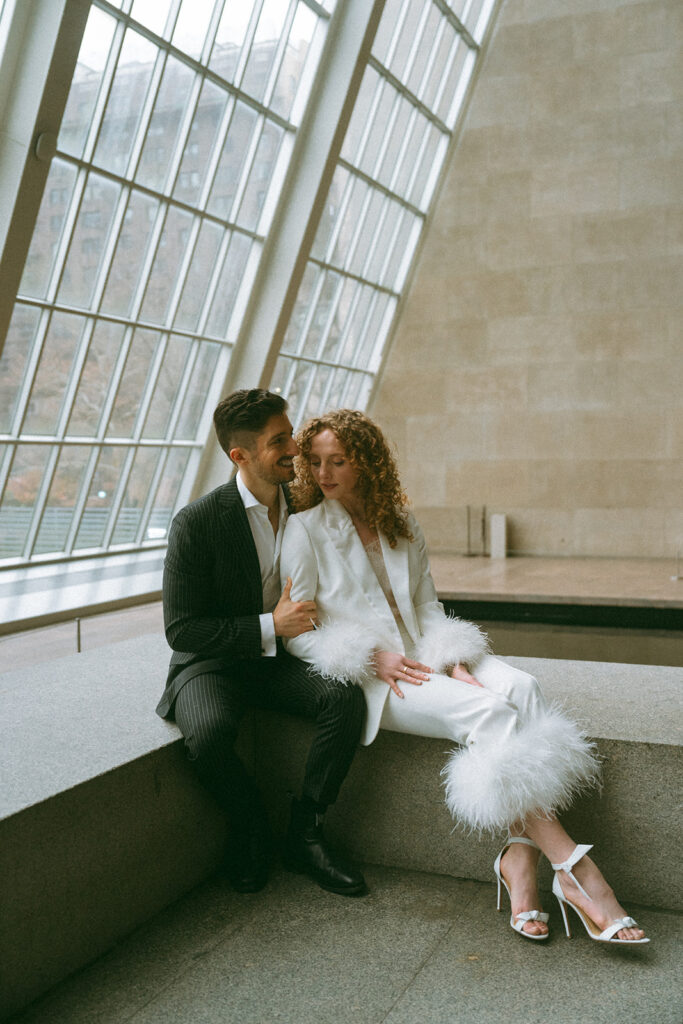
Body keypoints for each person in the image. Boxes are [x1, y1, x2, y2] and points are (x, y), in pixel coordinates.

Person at [280, 408, 649, 944]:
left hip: (428, 655)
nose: (323, 473)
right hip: (379, 678)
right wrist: (367, 657)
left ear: (367, 462)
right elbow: (297, 631)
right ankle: (574, 870)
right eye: (313, 462)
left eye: (338, 460)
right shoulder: (304, 530)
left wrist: (455, 660)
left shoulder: (400, 522)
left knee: (523, 687)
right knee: (489, 711)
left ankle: (518, 862)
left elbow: (430, 608)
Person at [157, 389, 366, 897]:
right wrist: (270, 625)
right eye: (280, 441)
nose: (296, 447)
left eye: (290, 433)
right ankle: (250, 827)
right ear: (240, 456)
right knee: (208, 736)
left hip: (284, 659)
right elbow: (181, 629)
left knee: (344, 697)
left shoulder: (306, 503)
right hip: (213, 662)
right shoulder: (197, 522)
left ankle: (306, 832)